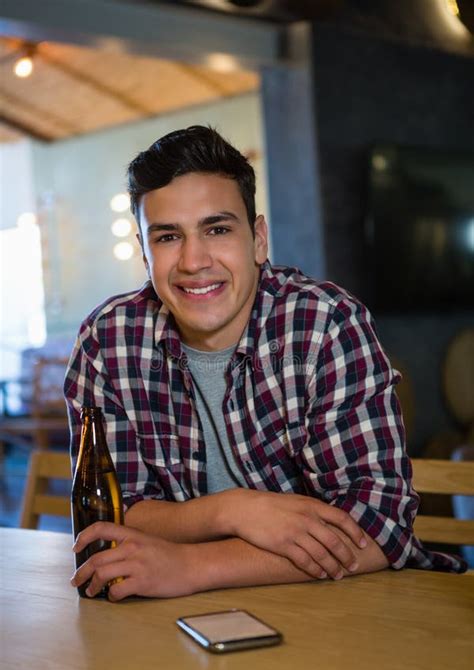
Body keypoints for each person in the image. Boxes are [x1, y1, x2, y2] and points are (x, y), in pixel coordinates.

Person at [65, 125, 466, 601]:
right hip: (176, 621)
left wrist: (193, 564)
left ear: (258, 239)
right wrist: (233, 510)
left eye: (217, 229)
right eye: (169, 236)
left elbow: (380, 527)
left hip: (350, 607)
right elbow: (108, 519)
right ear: (145, 253)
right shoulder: (106, 341)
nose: (194, 261)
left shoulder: (324, 323)